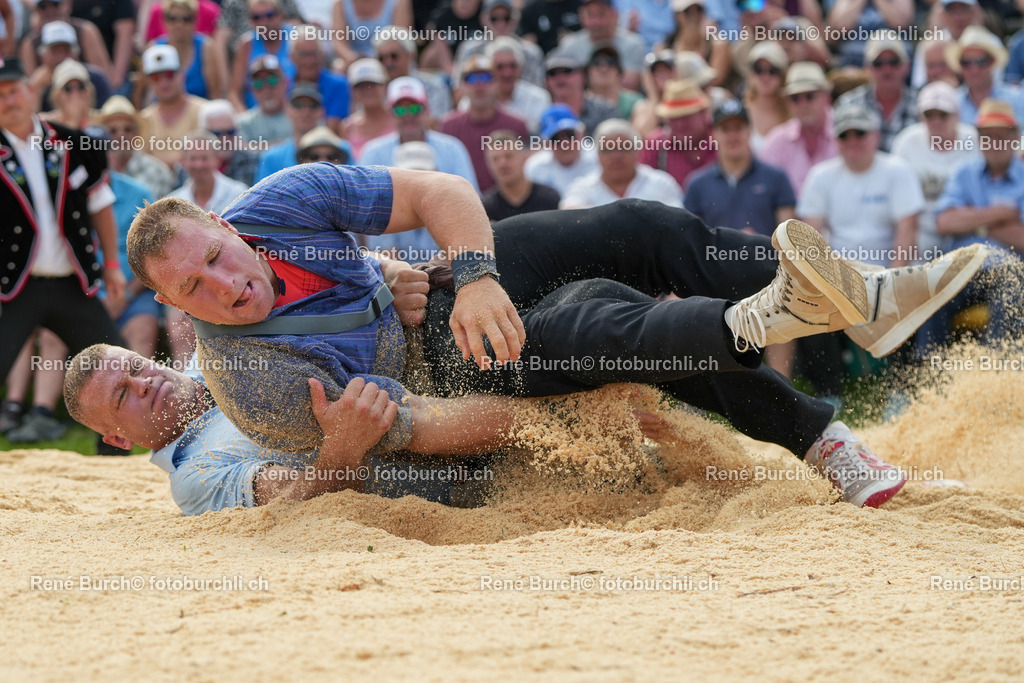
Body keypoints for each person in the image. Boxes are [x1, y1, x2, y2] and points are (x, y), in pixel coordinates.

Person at [124, 164, 985, 507]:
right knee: (594, 325)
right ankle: (804, 402)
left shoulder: (280, 200)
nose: (224, 286)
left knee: (641, 223)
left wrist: (473, 274)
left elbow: (438, 191)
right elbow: (415, 439)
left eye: (215, 257)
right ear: (174, 307)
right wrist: (562, 419)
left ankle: (860, 301)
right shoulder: (246, 373)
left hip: (444, 292)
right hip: (435, 387)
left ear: (222, 219)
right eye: (193, 290)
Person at [0, 57, 125, 429]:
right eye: (0, 95)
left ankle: (115, 452)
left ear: (30, 91)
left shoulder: (77, 142)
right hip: (13, 287)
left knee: (113, 364)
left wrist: (113, 265)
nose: (9, 100)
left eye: (14, 91)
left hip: (74, 282)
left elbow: (100, 206)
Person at [925, 98, 1024, 353]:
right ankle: (928, 374)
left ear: (1015, 138)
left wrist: (972, 219)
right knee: (929, 288)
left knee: (1012, 289)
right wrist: (1002, 215)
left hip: (1009, 268)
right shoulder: (964, 173)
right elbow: (945, 221)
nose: (994, 142)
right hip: (963, 265)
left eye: (1001, 135)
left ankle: (996, 373)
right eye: (988, 136)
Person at [890, 81, 979, 261]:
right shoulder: (906, 142)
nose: (936, 121)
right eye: (929, 115)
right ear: (921, 116)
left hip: (965, 229)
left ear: (957, 115)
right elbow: (898, 196)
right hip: (920, 231)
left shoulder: (974, 139)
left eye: (943, 114)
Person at [685, 100, 796, 237]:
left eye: (738, 128)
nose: (732, 136)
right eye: (725, 129)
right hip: (715, 257)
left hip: (764, 256)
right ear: (714, 134)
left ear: (749, 131)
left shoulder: (776, 178)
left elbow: (787, 239)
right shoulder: (697, 184)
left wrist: (756, 244)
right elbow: (692, 239)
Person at [359, 77, 478, 189]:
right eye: (400, 110)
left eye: (415, 108)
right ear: (390, 114)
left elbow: (471, 195)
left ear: (427, 110)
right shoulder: (373, 153)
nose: (408, 115)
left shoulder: (452, 149)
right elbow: (363, 199)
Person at [438, 55, 530, 192]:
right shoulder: (448, 126)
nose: (479, 86)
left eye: (486, 79)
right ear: (462, 87)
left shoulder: (516, 125)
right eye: (471, 79)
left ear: (497, 84)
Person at [759, 61, 837, 198]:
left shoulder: (847, 134)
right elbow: (765, 191)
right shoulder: (777, 141)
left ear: (827, 97)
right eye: (795, 98)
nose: (803, 104)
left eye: (809, 96)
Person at [562, 117, 682, 208]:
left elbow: (678, 219)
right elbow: (568, 214)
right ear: (598, 155)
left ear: (637, 151)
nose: (616, 156)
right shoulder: (583, 187)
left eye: (624, 148)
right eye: (608, 150)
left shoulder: (661, 183)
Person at [834, 33, 917, 154]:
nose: (886, 70)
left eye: (893, 62)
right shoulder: (848, 104)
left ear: (907, 66)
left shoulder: (922, 105)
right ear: (867, 68)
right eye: (878, 64)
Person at [138, 44, 208, 169]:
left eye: (169, 75)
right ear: (148, 81)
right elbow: (140, 161)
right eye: (155, 78)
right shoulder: (143, 119)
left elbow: (205, 156)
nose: (163, 83)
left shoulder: (204, 111)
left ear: (182, 75)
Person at [638, 78, 716, 189]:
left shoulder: (723, 139)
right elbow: (642, 187)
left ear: (704, 113)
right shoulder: (655, 145)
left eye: (685, 117)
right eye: (673, 118)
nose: (680, 124)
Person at [96, 95, 176, 199]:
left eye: (127, 129)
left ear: (136, 134)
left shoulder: (158, 172)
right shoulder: (94, 171)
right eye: (113, 131)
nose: (121, 136)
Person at [558, 0, 646, 91]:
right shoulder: (570, 45)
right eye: (590, 15)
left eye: (601, 14)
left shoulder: (633, 44)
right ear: (581, 16)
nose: (596, 22)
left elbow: (630, 86)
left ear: (615, 14)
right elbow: (563, 85)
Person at [948, 25, 1024, 127]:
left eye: (981, 62)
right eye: (966, 62)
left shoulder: (1017, 98)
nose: (974, 69)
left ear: (993, 62)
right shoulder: (951, 102)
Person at [153, 0, 228, 101]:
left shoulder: (206, 48)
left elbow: (215, 94)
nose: (179, 24)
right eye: (172, 18)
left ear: (195, 21)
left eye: (186, 19)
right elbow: (144, 93)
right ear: (164, 20)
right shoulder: (154, 49)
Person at [481, 129, 560, 221]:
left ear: (523, 158)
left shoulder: (548, 198)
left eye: (508, 156)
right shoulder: (486, 208)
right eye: (495, 159)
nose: (502, 164)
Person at [522, 103, 599, 196]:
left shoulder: (598, 159)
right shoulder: (535, 168)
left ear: (582, 134)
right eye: (555, 138)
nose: (565, 143)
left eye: (570, 134)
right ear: (546, 143)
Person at [253, 81, 325, 180]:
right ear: (287, 110)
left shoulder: (340, 150)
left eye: (312, 106)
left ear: (321, 112)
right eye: (298, 105)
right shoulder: (271, 157)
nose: (305, 112)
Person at [168, 130, 251, 213]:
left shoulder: (239, 195)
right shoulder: (174, 202)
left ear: (218, 159)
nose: (199, 165)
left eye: (204, 158)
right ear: (183, 161)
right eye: (193, 159)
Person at [288, 26, 350, 134]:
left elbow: (331, 131)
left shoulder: (338, 85)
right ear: (292, 57)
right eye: (303, 55)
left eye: (313, 54)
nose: (309, 61)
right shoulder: (284, 84)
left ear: (322, 55)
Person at [543, 51, 616, 135]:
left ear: (583, 75)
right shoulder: (539, 112)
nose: (560, 78)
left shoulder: (605, 111)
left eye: (567, 71)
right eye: (552, 73)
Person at [341, 58, 396, 158]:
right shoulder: (348, 128)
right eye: (361, 86)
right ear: (352, 91)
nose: (367, 91)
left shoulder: (399, 118)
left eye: (373, 85)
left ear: (385, 85)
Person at [742, 41, 790, 154]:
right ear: (751, 74)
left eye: (772, 70)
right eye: (758, 69)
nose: (765, 77)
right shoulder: (741, 112)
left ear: (782, 75)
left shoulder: (794, 110)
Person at [236, 54, 292, 145]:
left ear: (285, 83)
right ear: (252, 89)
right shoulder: (244, 123)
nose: (266, 89)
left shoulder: (302, 116)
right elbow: (245, 153)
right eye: (258, 83)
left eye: (272, 81)